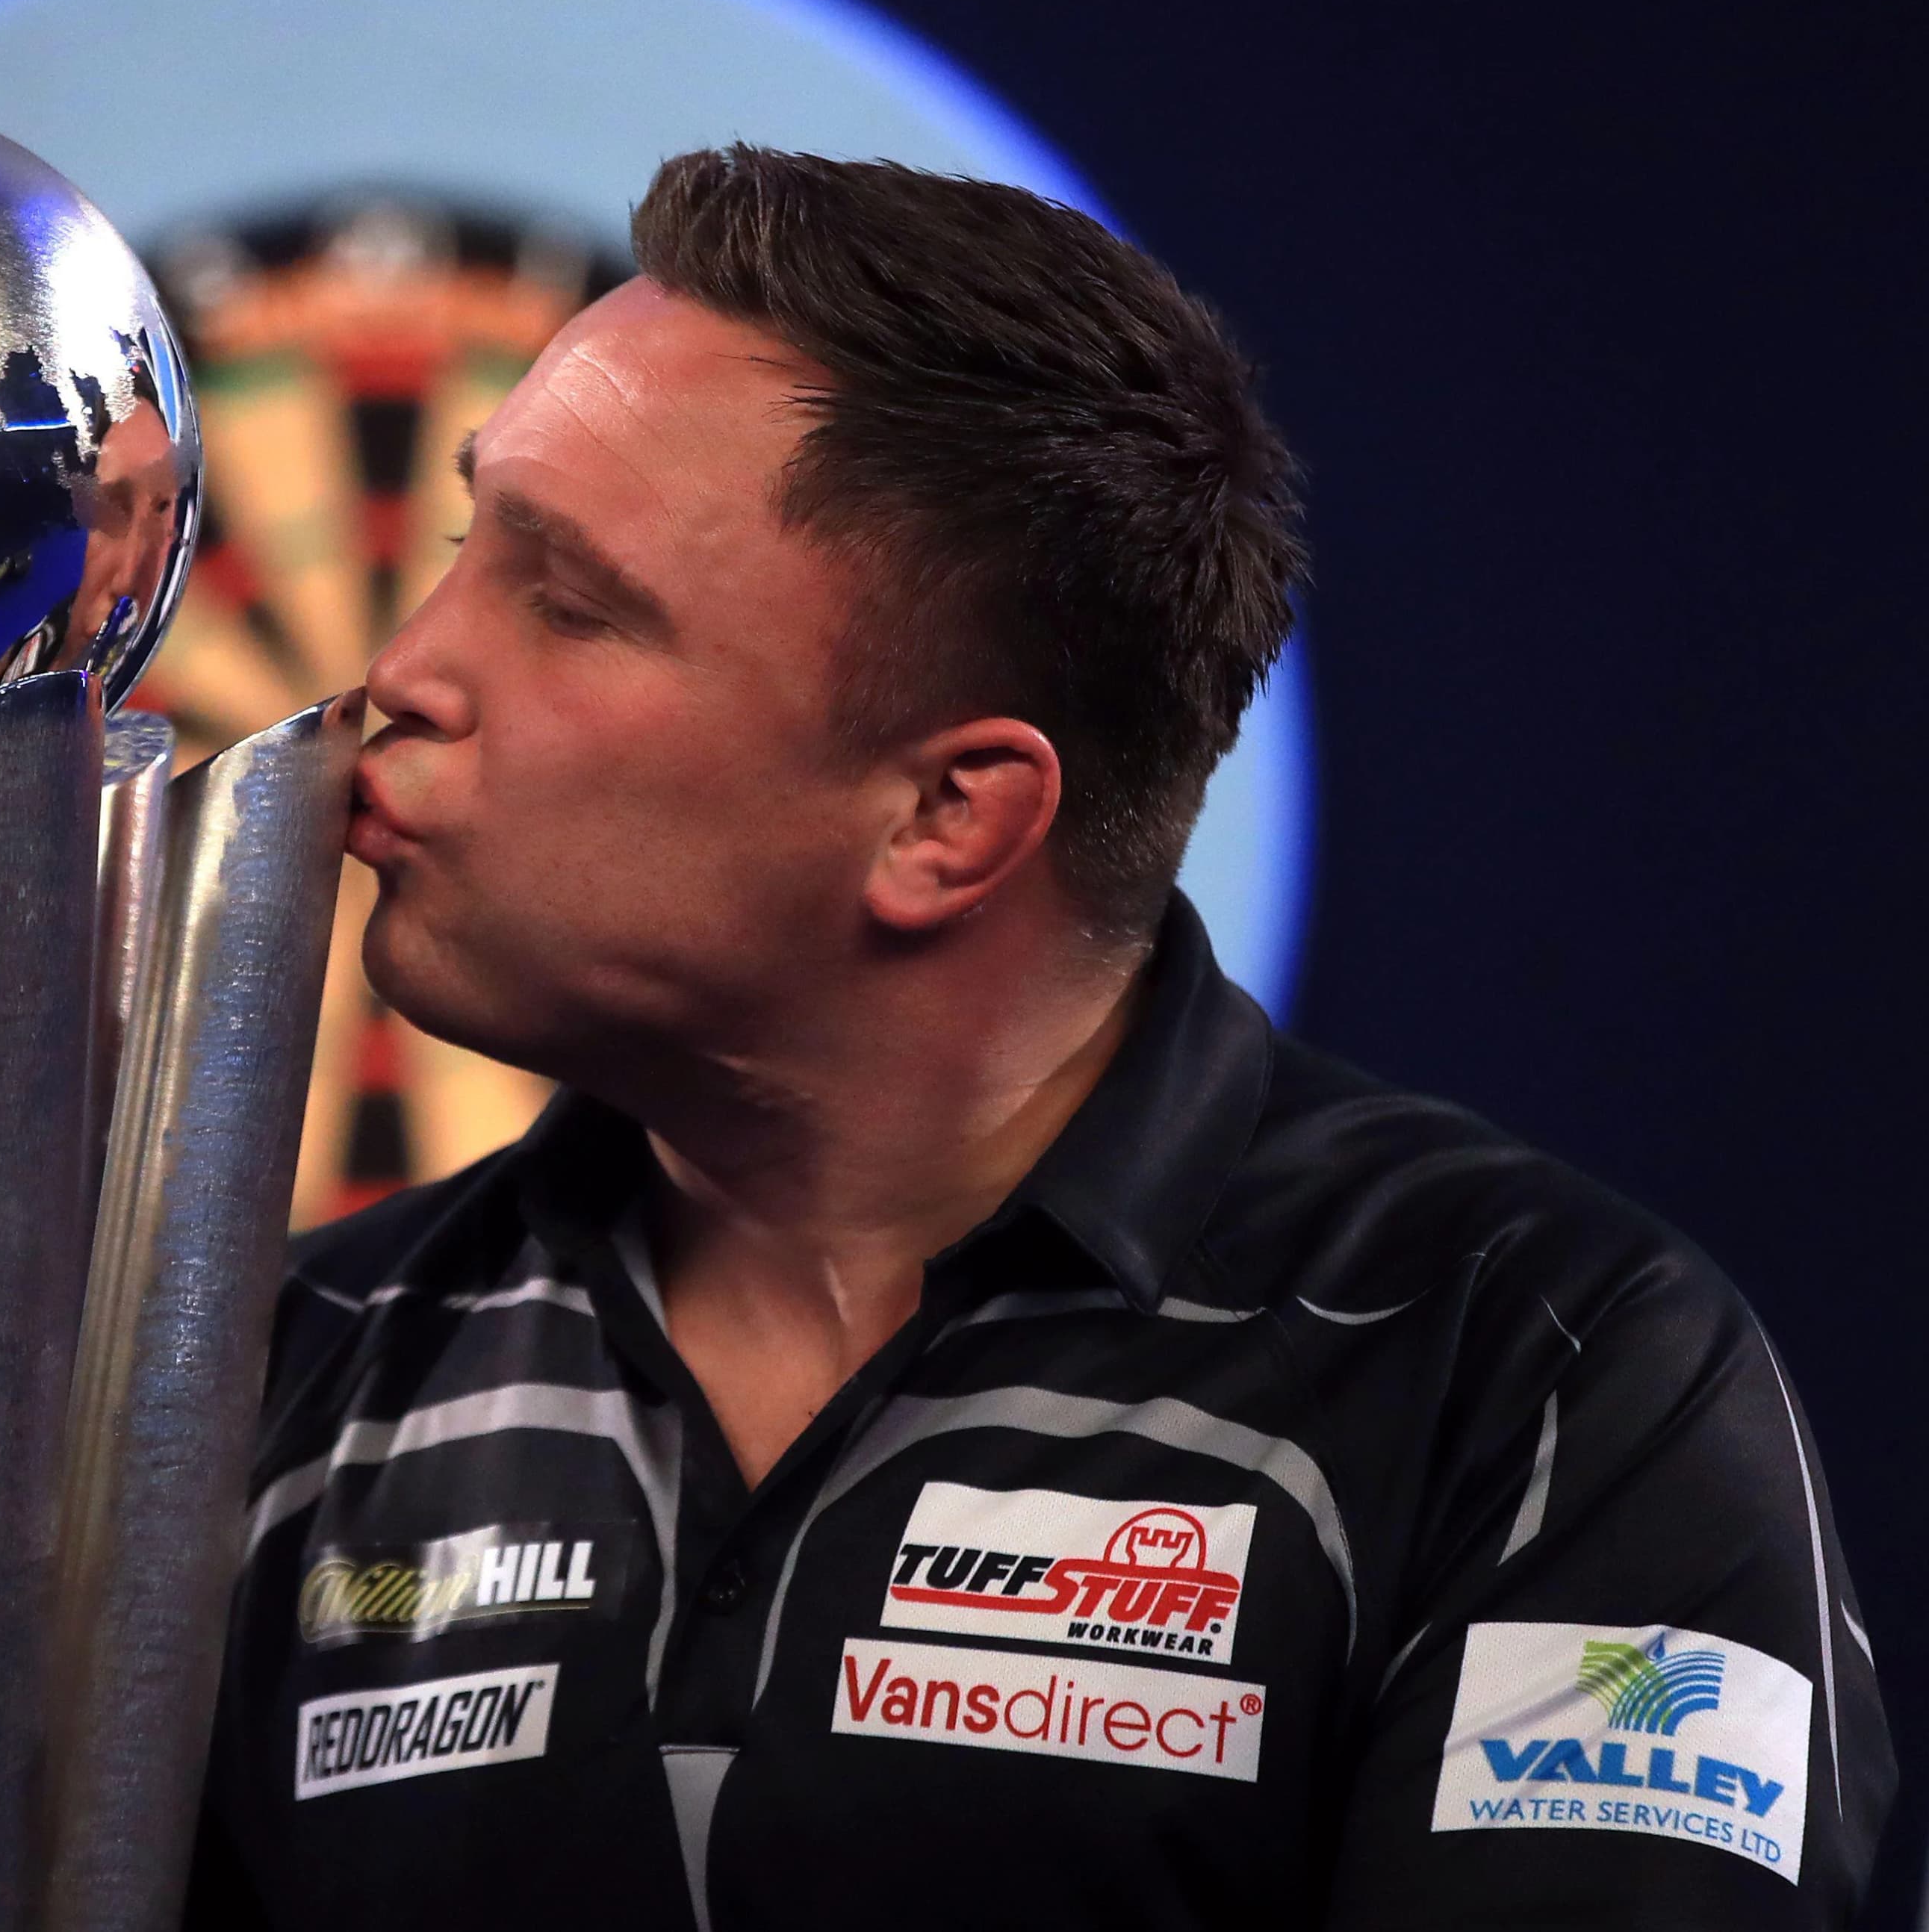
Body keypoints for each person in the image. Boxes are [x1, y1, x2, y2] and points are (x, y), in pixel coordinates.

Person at [182, 148, 1895, 1929]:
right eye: (467, 544)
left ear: (948, 818)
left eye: (569, 603)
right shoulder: (279, 1382)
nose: (403, 674)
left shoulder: (1537, 1378)